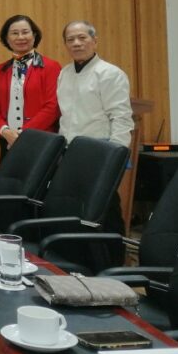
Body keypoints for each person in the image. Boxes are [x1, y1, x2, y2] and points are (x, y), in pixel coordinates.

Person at [57, 20, 134, 234]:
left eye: (82, 37)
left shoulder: (110, 74)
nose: (76, 43)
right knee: (75, 208)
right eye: (70, 39)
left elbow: (121, 117)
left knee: (105, 209)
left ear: (95, 41)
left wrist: (116, 157)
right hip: (70, 151)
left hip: (101, 151)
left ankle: (115, 251)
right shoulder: (64, 73)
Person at [0, 14, 61, 156]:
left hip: (40, 139)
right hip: (7, 141)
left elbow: (52, 107)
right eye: (15, 33)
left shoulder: (51, 66)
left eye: (25, 32)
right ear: (7, 39)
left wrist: (22, 135)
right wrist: (4, 131)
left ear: (34, 35)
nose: (20, 37)